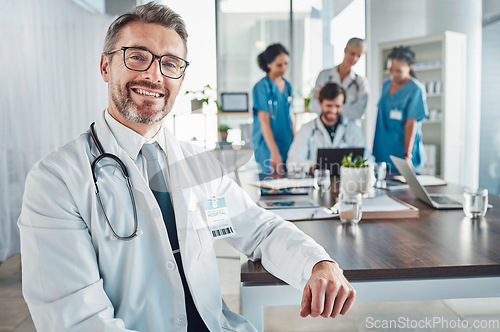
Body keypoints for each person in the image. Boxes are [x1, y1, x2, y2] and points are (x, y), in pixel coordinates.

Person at [18, 3, 355, 332]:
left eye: (171, 63)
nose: (154, 75)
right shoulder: (57, 181)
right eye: (137, 56)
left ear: (181, 77)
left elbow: (258, 230)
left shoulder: (199, 166)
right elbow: (77, 318)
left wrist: (317, 263)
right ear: (106, 66)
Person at [287, 83, 367, 172]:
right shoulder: (307, 129)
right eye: (329, 105)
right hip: (317, 182)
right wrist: (312, 166)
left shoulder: (353, 128)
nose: (333, 110)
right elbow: (292, 163)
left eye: (337, 106)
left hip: (347, 183)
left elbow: (367, 158)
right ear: (320, 103)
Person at [373, 45, 428, 171]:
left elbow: (411, 123)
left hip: (402, 150)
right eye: (390, 69)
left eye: (398, 71)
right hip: (382, 147)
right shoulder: (386, 85)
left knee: (404, 188)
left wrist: (407, 155)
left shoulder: (416, 89)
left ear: (409, 68)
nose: (393, 74)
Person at [252, 43, 294, 174]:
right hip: (267, 146)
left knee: (288, 184)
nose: (284, 68)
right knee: (272, 185)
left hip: (287, 143)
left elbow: (291, 117)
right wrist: (274, 152)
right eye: (279, 65)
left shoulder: (288, 86)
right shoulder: (261, 87)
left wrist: (296, 143)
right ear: (269, 64)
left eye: (286, 64)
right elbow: (264, 122)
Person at [310, 38, 369, 120]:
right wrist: (346, 109)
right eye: (352, 54)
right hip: (325, 127)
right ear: (345, 50)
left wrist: (329, 109)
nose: (354, 59)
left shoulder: (361, 82)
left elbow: (358, 112)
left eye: (358, 56)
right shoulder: (324, 75)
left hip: (349, 128)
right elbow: (314, 105)